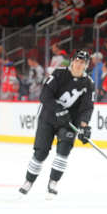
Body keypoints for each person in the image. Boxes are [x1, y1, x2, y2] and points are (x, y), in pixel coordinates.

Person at [18, 50, 94, 199]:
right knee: (41, 152)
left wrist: (84, 126)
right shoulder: (58, 74)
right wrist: (58, 109)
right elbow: (45, 95)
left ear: (86, 65)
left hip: (68, 122)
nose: (79, 64)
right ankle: (29, 181)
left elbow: (87, 107)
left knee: (64, 151)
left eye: (83, 62)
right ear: (72, 61)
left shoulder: (88, 84)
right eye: (77, 61)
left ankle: (53, 183)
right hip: (48, 118)